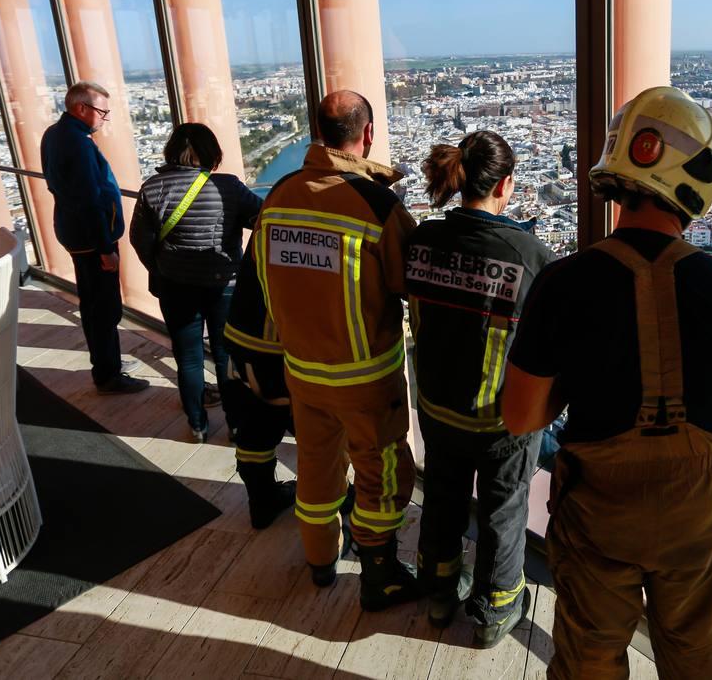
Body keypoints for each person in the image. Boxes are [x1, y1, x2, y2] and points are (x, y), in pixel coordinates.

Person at [503, 86, 712, 679]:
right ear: (700, 181)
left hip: (599, 509)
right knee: (698, 660)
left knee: (590, 662)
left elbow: (522, 417)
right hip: (693, 515)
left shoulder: (564, 282)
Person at [255, 90, 420, 611]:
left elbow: (266, 278)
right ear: (366, 134)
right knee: (381, 473)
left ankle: (320, 561)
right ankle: (380, 573)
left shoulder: (278, 196)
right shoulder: (378, 207)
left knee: (317, 466)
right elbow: (408, 286)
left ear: (319, 132)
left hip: (302, 370)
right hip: (366, 378)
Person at [406, 130, 555, 647]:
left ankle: (440, 590)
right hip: (501, 417)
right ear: (506, 184)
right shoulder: (529, 256)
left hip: (436, 405)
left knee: (443, 497)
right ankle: (495, 610)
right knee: (503, 509)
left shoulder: (422, 240)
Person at [129, 123, 261, 443]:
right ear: (211, 153)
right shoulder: (228, 187)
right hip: (223, 283)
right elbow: (263, 217)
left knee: (188, 356)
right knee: (226, 354)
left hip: (175, 285)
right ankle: (236, 425)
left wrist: (159, 267)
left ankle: (198, 424)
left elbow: (139, 240)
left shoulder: (152, 189)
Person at [41, 82, 146, 395]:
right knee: (104, 307)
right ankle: (108, 373)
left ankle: (106, 364)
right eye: (102, 111)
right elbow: (89, 199)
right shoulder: (79, 143)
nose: (104, 118)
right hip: (92, 240)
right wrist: (105, 248)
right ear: (81, 109)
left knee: (92, 304)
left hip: (74, 233)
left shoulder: (54, 135)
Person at [219, 232, 297, 528]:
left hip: (245, 337)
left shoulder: (275, 205)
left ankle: (262, 502)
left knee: (254, 431)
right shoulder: (348, 206)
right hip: (293, 345)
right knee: (318, 436)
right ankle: (329, 512)